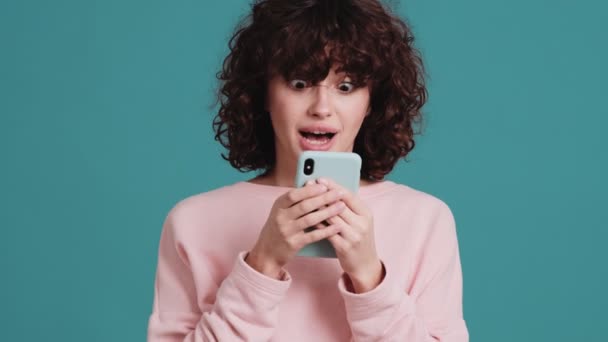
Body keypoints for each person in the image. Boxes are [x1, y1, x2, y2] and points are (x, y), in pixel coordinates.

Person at [147, 0, 469, 340]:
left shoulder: (426, 220)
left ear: (372, 101)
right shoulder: (192, 221)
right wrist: (263, 264)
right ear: (264, 93)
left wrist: (370, 277)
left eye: (346, 87)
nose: (322, 108)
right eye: (300, 83)